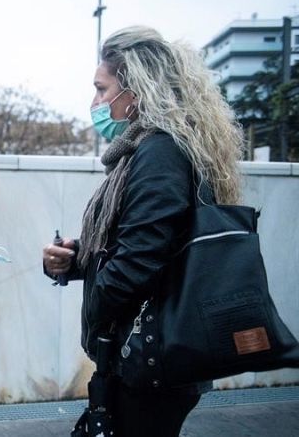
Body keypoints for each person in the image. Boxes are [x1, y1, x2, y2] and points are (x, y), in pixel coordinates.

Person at [42, 26, 243, 437]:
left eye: (102, 89)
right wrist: (76, 257)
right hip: (148, 357)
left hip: (150, 360)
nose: (95, 102)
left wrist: (97, 314)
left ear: (133, 91)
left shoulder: (160, 152)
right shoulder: (148, 150)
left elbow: (139, 258)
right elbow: (142, 240)